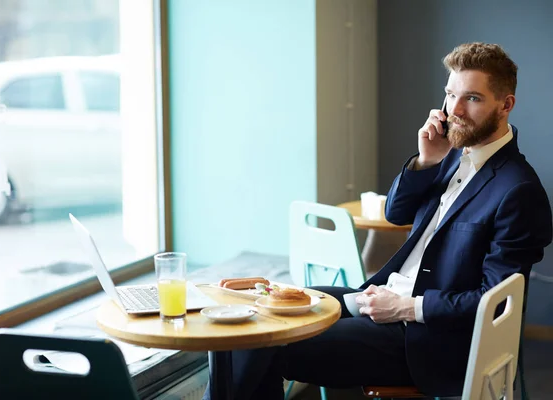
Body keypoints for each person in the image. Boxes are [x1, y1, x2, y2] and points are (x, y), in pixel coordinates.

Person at [202, 42, 553, 399]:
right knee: (248, 318)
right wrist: (425, 161)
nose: (455, 110)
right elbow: (395, 212)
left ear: (505, 104)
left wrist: (404, 307)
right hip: (379, 299)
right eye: (450, 95)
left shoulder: (518, 190)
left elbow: (494, 302)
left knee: (262, 342)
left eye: (472, 99)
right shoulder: (449, 153)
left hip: (426, 342)